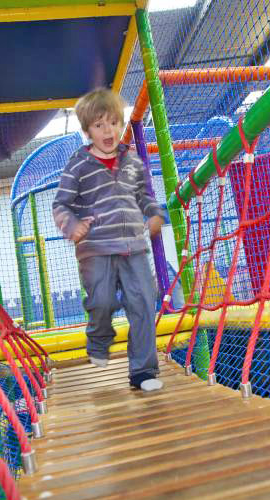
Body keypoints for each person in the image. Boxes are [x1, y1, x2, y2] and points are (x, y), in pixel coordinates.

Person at [52, 88, 165, 392]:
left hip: (133, 246)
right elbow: (61, 204)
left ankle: (143, 372)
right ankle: (99, 339)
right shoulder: (78, 164)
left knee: (143, 302)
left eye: (114, 123)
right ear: (87, 131)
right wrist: (72, 225)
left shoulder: (132, 161)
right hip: (96, 248)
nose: (108, 131)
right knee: (101, 302)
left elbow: (144, 195)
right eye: (99, 125)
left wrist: (154, 214)